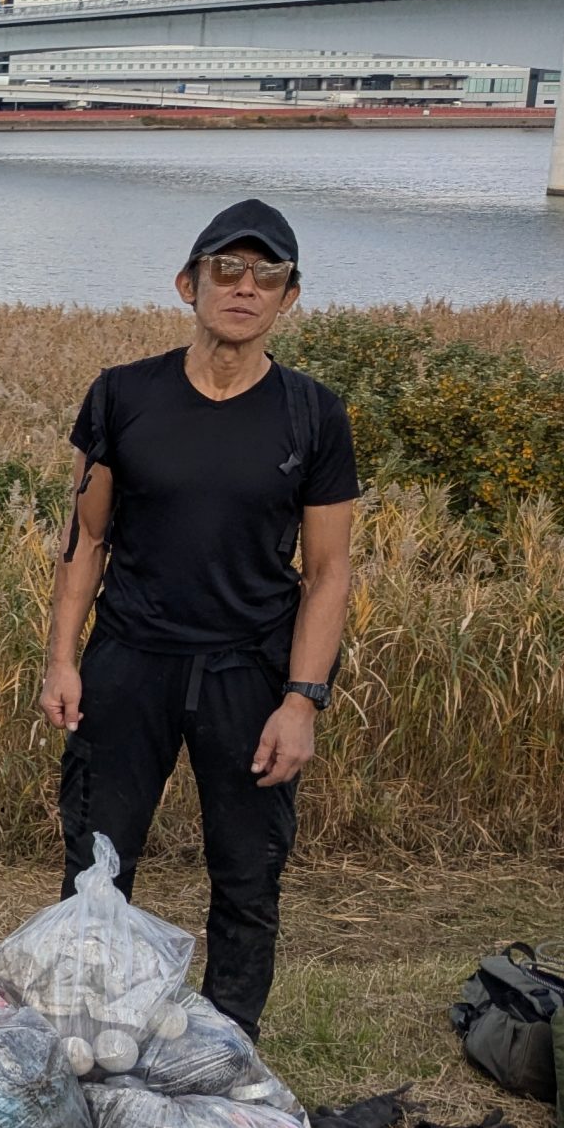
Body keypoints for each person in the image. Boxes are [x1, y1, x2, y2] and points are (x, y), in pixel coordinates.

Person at [40, 198, 358, 1039]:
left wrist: (302, 701)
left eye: (267, 275)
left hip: (250, 671)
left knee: (248, 875)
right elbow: (85, 539)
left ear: (289, 298)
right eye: (227, 269)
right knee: (96, 866)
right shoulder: (121, 396)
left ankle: (228, 1050)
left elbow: (329, 572)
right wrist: (62, 659)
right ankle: (89, 1040)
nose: (245, 288)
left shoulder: (314, 413)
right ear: (189, 284)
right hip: (129, 661)